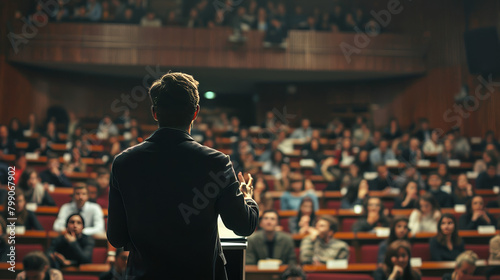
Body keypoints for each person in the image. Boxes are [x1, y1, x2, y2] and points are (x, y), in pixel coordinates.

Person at [107, 72, 259, 280]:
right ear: (195, 112)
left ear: (155, 112)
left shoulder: (124, 163)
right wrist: (247, 198)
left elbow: (116, 238)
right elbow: (243, 225)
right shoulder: (216, 162)